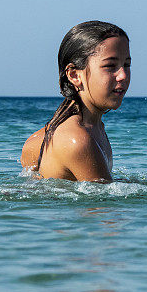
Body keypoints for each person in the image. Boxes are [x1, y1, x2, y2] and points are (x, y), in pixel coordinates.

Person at [21, 21, 130, 182]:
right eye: (110, 66)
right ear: (74, 75)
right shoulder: (78, 141)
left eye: (126, 64)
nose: (123, 75)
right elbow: (104, 204)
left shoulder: (45, 136)